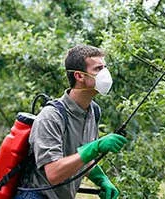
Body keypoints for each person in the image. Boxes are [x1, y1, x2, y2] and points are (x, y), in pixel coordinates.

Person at [15, 44, 128, 199]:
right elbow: (53, 173)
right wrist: (96, 147)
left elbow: (81, 157)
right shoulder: (51, 116)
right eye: (98, 68)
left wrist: (102, 179)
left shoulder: (93, 111)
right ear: (79, 76)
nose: (105, 73)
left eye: (105, 67)